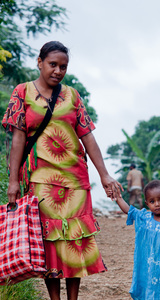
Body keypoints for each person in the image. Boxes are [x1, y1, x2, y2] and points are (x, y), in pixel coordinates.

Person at [2, 41, 123, 300]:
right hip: (40, 179)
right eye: (53, 65)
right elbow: (18, 139)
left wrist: (104, 174)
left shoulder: (72, 95)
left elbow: (87, 136)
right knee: (50, 242)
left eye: (63, 67)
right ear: (40, 62)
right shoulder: (22, 92)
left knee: (75, 240)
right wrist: (13, 181)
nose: (58, 71)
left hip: (75, 179)